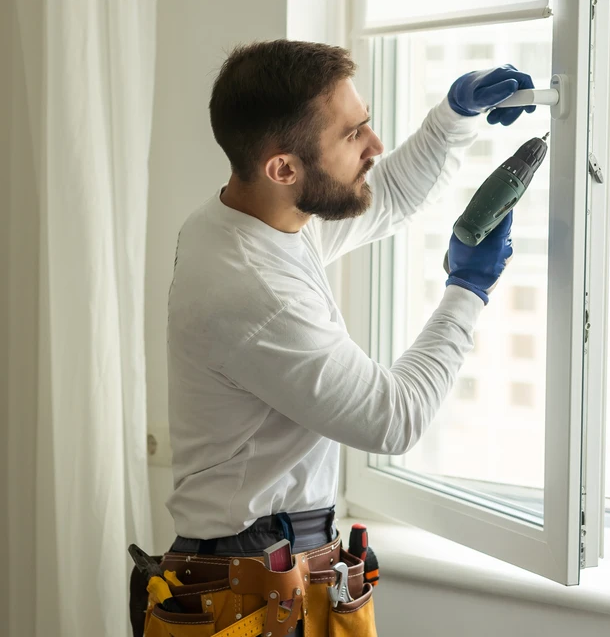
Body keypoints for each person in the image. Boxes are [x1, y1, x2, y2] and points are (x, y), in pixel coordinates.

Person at [133, 40, 536, 636]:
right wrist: (468, 288)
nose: (374, 145)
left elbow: (387, 195)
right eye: (352, 135)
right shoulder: (252, 290)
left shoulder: (252, 219)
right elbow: (392, 419)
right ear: (284, 168)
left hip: (275, 568)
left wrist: (454, 115)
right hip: (247, 592)